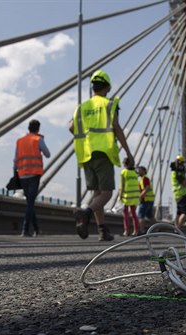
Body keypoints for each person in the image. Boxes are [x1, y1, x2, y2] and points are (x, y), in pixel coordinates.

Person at [70, 69, 134, 241]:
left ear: (93, 88)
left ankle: (101, 230)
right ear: (107, 87)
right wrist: (128, 152)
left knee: (97, 193)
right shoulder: (109, 103)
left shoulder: (82, 108)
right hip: (103, 152)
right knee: (106, 194)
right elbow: (117, 128)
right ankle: (86, 212)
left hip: (86, 153)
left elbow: (71, 127)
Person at [14, 119, 51, 237]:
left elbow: (15, 159)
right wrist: (42, 142)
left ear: (28, 128)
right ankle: (25, 230)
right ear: (38, 129)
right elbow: (48, 154)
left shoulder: (19, 141)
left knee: (30, 202)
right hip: (34, 174)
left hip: (22, 174)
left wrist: (15, 173)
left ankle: (36, 229)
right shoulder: (38, 139)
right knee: (30, 202)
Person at [119, 157, 139, 236]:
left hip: (126, 196)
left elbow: (122, 185)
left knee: (126, 214)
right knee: (134, 214)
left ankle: (126, 231)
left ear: (125, 164)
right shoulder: (135, 172)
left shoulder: (124, 172)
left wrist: (120, 195)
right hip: (134, 196)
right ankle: (136, 231)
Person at [171, 155, 186, 230]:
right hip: (182, 194)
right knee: (185, 213)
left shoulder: (176, 171)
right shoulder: (177, 173)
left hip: (178, 194)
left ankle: (176, 228)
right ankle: (178, 229)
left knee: (179, 212)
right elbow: (184, 183)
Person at [137, 165, 155, 235]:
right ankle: (155, 229)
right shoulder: (142, 179)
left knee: (141, 215)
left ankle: (142, 231)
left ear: (144, 171)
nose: (138, 172)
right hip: (149, 199)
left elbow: (147, 188)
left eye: (140, 170)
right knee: (149, 215)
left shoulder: (145, 178)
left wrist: (140, 196)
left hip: (146, 199)